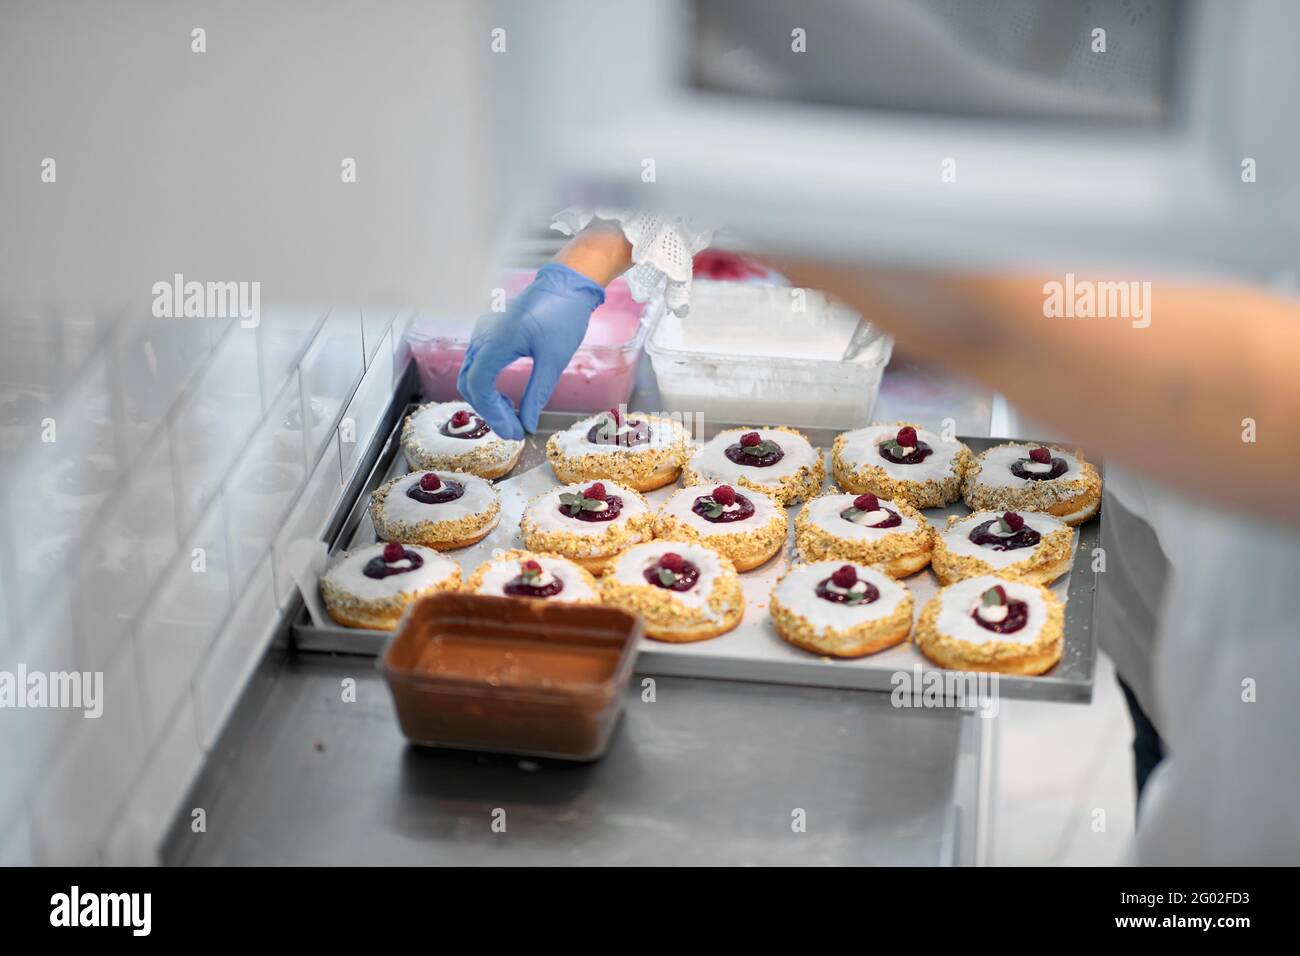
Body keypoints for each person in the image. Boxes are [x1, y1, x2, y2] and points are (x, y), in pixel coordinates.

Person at [458, 215, 1300, 865]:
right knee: (1167, 742)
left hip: (1259, 608)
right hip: (1153, 546)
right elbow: (797, 104)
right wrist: (594, 254)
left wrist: (878, 249)